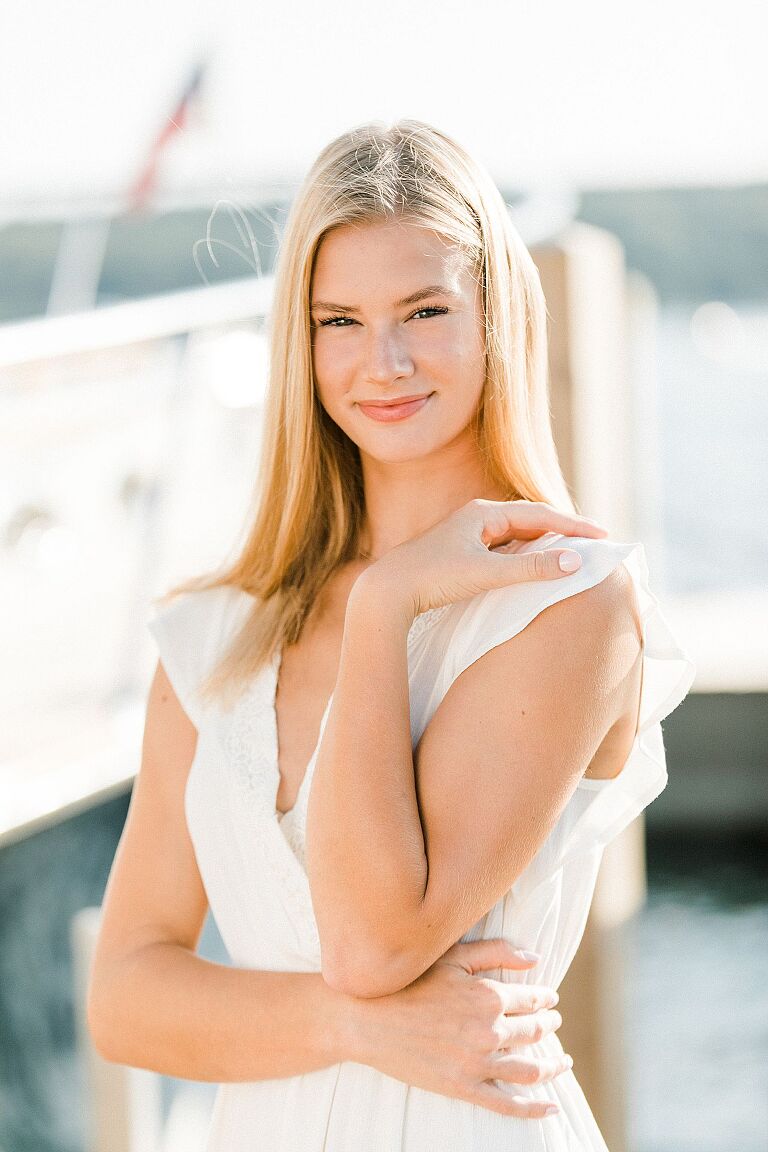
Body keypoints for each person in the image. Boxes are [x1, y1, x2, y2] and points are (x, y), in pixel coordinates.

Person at [87, 119, 696, 1150]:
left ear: (495, 317)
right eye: (340, 321)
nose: (386, 360)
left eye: (425, 309)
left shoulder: (572, 607)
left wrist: (381, 611)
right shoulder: (216, 635)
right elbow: (126, 997)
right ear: (301, 340)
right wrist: (345, 1027)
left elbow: (373, 943)